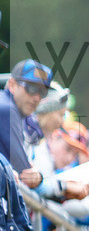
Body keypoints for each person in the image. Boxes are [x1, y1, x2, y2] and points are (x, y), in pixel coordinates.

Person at [0, 59, 52, 189]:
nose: (37, 98)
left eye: (42, 92)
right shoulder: (7, 109)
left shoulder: (14, 111)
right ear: (12, 85)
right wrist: (38, 177)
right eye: (32, 88)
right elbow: (25, 174)